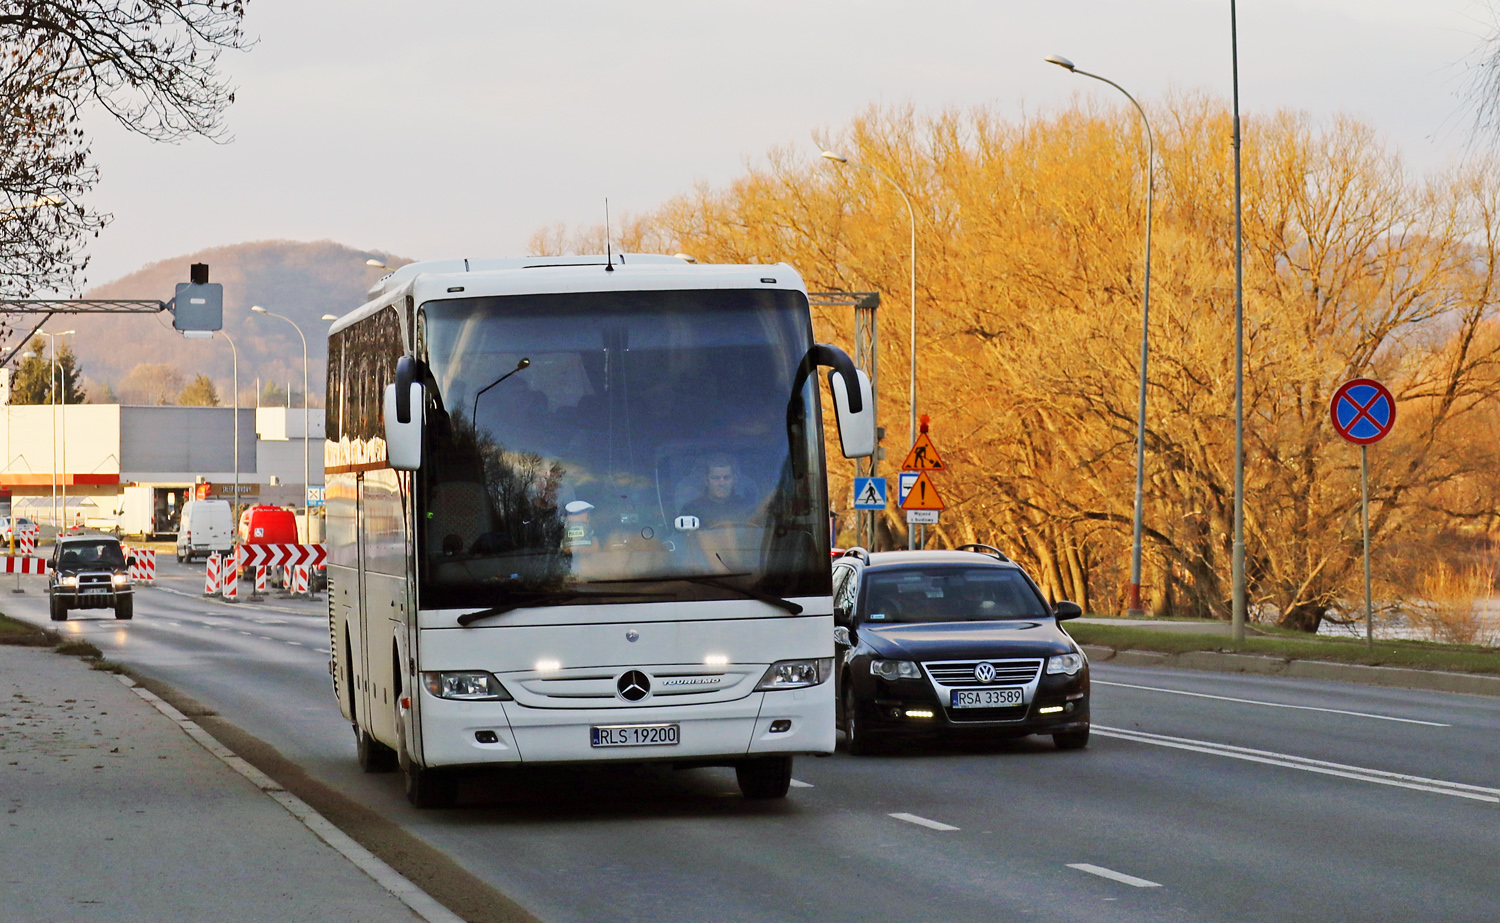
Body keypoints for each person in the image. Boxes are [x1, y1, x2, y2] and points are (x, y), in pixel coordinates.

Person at [680, 454, 759, 527]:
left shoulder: (747, 509)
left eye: (726, 477)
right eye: (716, 478)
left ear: (734, 480)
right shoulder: (691, 511)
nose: (722, 483)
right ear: (706, 481)